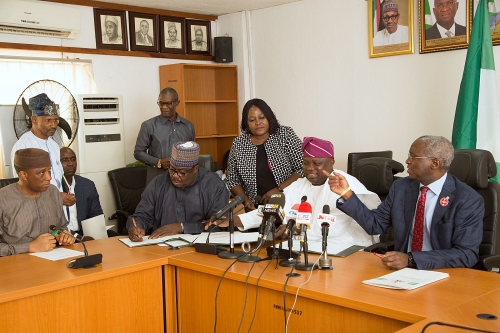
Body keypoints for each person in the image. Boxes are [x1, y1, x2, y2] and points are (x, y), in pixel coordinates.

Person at [325, 135, 484, 270]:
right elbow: (375, 224)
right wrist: (347, 194)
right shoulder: (402, 187)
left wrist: (411, 259)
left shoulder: (467, 199)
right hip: (402, 273)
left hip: (443, 272)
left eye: (413, 156)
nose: (407, 161)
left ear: (435, 163)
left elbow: (466, 254)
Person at [212, 137, 381, 246]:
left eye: (316, 163)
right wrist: (235, 220)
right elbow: (274, 210)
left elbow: (333, 229)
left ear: (331, 163)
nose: (310, 168)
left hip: (347, 244)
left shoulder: (343, 184)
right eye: (306, 163)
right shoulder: (300, 184)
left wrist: (297, 229)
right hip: (309, 243)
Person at [127, 141, 229, 241]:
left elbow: (218, 225)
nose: (175, 175)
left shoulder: (214, 185)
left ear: (195, 169)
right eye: (172, 169)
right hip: (162, 247)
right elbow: (142, 215)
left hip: (201, 248)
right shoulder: (158, 183)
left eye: (182, 172)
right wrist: (136, 227)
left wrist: (182, 227)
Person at [225, 98, 303, 212]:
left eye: (262, 117)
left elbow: (302, 169)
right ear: (246, 123)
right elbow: (232, 179)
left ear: (269, 117)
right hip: (255, 209)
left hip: (289, 203)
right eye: (252, 120)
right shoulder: (239, 143)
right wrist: (245, 200)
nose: (258, 122)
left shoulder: (285, 135)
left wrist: (278, 189)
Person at [0, 148, 75, 256]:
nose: (49, 177)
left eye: (49, 170)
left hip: (54, 262)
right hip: (17, 267)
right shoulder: (2, 199)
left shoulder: (53, 192)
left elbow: (60, 228)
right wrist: (30, 247)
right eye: (41, 172)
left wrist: (63, 236)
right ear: (23, 175)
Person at [11, 93, 75, 208]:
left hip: (57, 209)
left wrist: (63, 196)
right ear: (34, 120)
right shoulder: (23, 147)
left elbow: (57, 181)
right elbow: (23, 187)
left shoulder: (54, 145)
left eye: (55, 120)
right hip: (36, 210)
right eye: (48, 120)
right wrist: (57, 196)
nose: (53, 125)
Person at [134, 87, 195, 184]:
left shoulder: (188, 126)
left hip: (183, 181)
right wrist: (158, 162)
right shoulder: (149, 125)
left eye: (168, 103)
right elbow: (138, 153)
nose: (164, 107)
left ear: (177, 103)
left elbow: (193, 153)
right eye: (161, 103)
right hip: (158, 180)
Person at [60, 147, 106, 237]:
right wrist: (79, 238)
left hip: (86, 234)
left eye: (73, 159)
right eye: (65, 160)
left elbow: (96, 216)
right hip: (63, 237)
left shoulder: (87, 185)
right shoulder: (52, 188)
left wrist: (95, 236)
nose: (70, 164)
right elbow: (54, 225)